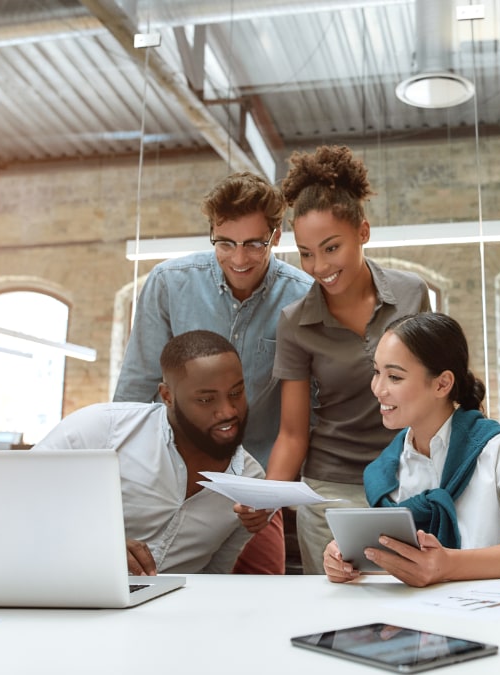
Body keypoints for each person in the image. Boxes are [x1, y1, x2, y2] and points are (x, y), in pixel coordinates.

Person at [114, 171, 312, 574]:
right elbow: (135, 393)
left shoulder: (303, 299)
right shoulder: (169, 284)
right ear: (212, 234)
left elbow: (307, 414)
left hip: (252, 490)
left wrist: (271, 493)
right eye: (226, 243)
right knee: (146, 584)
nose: (239, 259)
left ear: (276, 237)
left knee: (257, 598)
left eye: (254, 244)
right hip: (165, 474)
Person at [251, 145, 430, 574]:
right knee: (338, 612)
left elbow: (442, 391)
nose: (318, 266)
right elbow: (293, 434)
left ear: (363, 232)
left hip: (410, 478)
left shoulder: (411, 295)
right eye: (306, 253)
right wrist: (269, 502)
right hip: (332, 491)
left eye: (331, 248)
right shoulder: (295, 322)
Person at [323, 313, 500, 587]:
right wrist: (347, 560)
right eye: (377, 372)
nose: (378, 389)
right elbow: (398, 562)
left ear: (442, 384)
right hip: (416, 619)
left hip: (498, 612)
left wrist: (446, 565)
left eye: (394, 377)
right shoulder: (387, 470)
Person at [35, 330, 264, 575]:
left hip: (173, 609)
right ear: (167, 396)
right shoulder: (102, 431)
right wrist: (94, 544)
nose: (228, 411)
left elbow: (216, 576)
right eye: (206, 400)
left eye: (235, 393)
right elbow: (15, 505)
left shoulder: (250, 481)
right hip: (70, 596)